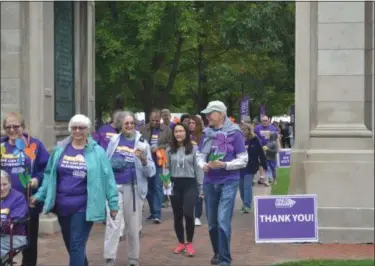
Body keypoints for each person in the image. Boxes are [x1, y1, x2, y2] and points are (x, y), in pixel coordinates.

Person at [30, 114, 119, 266]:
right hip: (62, 205)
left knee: (76, 244)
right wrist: (39, 195)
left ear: (88, 130)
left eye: (81, 128)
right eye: (74, 127)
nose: (77, 131)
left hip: (84, 206)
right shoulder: (60, 149)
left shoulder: (97, 152)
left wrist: (113, 203)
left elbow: (108, 178)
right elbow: (49, 175)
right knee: (72, 245)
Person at [196, 101, 248, 266]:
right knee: (212, 224)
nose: (207, 117)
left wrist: (225, 165)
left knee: (222, 220)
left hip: (228, 181)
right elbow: (200, 154)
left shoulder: (235, 133)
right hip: (210, 182)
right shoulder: (207, 133)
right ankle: (217, 253)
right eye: (207, 113)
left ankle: (225, 260)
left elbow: (243, 159)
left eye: (211, 113)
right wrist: (202, 165)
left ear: (221, 114)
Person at [104, 111, 155, 266]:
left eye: (132, 123)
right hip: (115, 188)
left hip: (134, 189)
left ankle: (133, 259)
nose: (129, 126)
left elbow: (151, 171)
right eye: (126, 123)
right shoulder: (113, 141)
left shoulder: (142, 144)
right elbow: (106, 164)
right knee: (113, 224)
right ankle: (110, 258)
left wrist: (144, 160)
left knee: (133, 227)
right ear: (121, 125)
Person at [1, 112, 49, 266]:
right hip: (3, 203)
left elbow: (47, 169)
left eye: (16, 126)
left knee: (28, 243)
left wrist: (37, 179)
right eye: (8, 127)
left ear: (23, 126)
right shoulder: (1, 146)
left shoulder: (34, 145)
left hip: (28, 202)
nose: (12, 129)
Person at [165, 123, 203, 256]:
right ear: (173, 134)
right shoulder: (169, 149)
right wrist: (165, 181)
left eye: (181, 131)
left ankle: (190, 243)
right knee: (177, 215)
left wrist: (200, 187)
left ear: (186, 133)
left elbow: (198, 168)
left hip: (190, 183)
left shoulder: (193, 148)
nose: (178, 134)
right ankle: (181, 242)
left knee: (188, 213)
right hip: (175, 183)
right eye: (176, 131)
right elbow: (167, 167)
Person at [139, 109, 172, 224]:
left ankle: (157, 214)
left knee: (158, 186)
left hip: (158, 160)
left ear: (160, 120)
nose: (154, 122)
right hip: (145, 161)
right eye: (152, 120)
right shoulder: (143, 129)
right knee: (148, 188)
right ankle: (153, 211)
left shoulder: (167, 130)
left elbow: (170, 143)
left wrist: (159, 147)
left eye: (156, 120)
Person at [239, 123, 267, 213]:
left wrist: (264, 164)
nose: (242, 131)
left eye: (244, 129)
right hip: (239, 166)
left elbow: (261, 153)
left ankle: (247, 205)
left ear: (248, 130)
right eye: (241, 129)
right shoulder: (238, 139)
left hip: (250, 166)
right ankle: (244, 202)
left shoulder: (254, 139)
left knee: (247, 186)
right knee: (241, 187)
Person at [0, 170, 28, 259]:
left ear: (10, 183)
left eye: (4, 184)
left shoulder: (18, 198)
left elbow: (13, 221)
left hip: (14, 236)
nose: (1, 188)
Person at [188, 115, 204, 226]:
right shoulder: (185, 135)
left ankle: (197, 216)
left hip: (199, 166)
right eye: (189, 122)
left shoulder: (202, 136)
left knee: (199, 189)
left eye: (193, 122)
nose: (191, 124)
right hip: (187, 167)